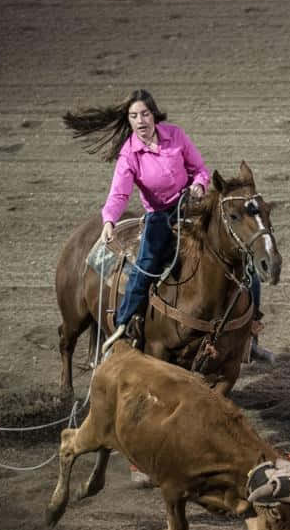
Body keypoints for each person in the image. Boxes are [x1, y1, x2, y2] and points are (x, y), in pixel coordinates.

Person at [62, 89, 274, 362]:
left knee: (243, 260)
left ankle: (250, 334)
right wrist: (109, 220)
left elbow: (199, 168)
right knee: (147, 264)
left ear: (154, 115)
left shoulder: (175, 136)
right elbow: (119, 194)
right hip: (160, 215)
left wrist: (198, 184)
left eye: (145, 114)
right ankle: (122, 329)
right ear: (129, 121)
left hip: (191, 208)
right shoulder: (129, 155)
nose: (141, 121)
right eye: (134, 116)